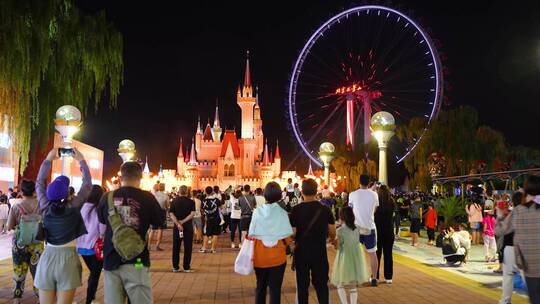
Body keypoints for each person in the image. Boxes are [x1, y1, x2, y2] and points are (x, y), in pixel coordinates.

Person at [97, 161, 165, 304]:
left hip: (111, 260)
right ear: (140, 177)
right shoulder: (147, 198)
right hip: (137, 260)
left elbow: (102, 221)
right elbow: (159, 222)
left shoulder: (107, 197)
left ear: (121, 177)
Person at [34, 148, 91, 304]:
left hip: (48, 257)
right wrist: (82, 160)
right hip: (68, 260)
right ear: (66, 194)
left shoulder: (45, 207)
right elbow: (87, 186)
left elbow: (39, 183)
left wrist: (48, 159)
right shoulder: (73, 207)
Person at [290, 178, 336, 304]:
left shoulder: (296, 210)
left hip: (301, 253)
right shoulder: (325, 209)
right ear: (316, 192)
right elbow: (332, 232)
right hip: (319, 253)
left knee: (302, 287)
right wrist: (331, 240)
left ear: (302, 192)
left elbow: (293, 233)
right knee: (321, 286)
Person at [249, 182, 293, 304]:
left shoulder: (257, 212)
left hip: (260, 257)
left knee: (260, 288)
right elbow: (287, 235)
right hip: (278, 258)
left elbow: (251, 233)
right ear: (279, 196)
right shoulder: (282, 213)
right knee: (275, 290)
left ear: (265, 195)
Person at [6, 180, 44, 303]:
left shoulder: (16, 206)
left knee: (19, 269)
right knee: (38, 270)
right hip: (37, 243)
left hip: (19, 243)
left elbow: (9, 226)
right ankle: (40, 296)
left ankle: (17, 297)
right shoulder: (41, 205)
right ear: (34, 191)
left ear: (21, 191)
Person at [332, 207, 370, 304]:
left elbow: (337, 247)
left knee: (340, 284)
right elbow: (368, 231)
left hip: (344, 257)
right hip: (357, 256)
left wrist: (333, 241)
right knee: (353, 285)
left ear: (341, 217)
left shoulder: (340, 230)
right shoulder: (357, 227)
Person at [76, 185, 106, 304]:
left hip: (82, 248)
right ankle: (89, 300)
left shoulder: (81, 207)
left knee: (93, 273)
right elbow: (102, 229)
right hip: (95, 248)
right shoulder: (98, 210)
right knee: (95, 274)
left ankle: (91, 298)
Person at [512, 175, 540, 304]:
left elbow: (518, 239)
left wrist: (519, 261)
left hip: (531, 264)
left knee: (535, 297)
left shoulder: (519, 211)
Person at [348, 175, 379, 286]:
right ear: (369, 182)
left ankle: (355, 278)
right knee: (372, 254)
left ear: (359, 181)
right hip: (370, 227)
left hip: (356, 227)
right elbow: (374, 210)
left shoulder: (352, 194)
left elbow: (350, 211)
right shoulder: (374, 194)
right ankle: (374, 279)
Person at [495, 191, 523, 304]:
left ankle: (505, 301)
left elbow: (498, 231)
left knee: (508, 276)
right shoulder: (527, 213)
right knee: (527, 275)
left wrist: (500, 216)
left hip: (509, 248)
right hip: (522, 248)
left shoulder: (511, 214)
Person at [169, 185, 196, 273]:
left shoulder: (173, 201)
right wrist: (183, 222)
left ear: (179, 192)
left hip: (177, 227)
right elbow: (192, 214)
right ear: (187, 192)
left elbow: (171, 214)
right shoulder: (191, 202)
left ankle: (175, 267)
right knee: (188, 247)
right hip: (187, 226)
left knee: (176, 247)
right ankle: (186, 267)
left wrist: (177, 223)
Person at [374, 185, 395, 284]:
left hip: (378, 231)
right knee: (388, 254)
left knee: (377, 254)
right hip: (389, 231)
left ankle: (376, 276)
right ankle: (388, 277)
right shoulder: (391, 202)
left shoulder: (376, 203)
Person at [200, 186, 221, 253]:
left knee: (206, 234)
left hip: (208, 219)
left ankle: (204, 248)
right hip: (216, 218)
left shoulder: (203, 201)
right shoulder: (216, 200)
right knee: (215, 233)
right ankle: (213, 249)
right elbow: (220, 207)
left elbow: (202, 210)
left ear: (205, 192)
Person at [149, 183, 168, 251]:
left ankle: (148, 245)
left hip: (154, 212)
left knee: (152, 229)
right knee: (160, 229)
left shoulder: (154, 195)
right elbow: (167, 206)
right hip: (162, 213)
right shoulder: (165, 196)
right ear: (164, 188)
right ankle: (157, 245)